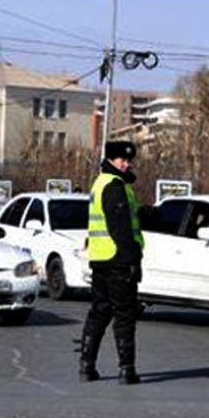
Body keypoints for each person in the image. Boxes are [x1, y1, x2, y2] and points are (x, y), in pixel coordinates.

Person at [79, 140, 145, 385]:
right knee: (125, 315)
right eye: (122, 160)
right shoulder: (115, 186)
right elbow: (120, 227)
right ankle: (126, 369)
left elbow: (127, 218)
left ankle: (86, 365)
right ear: (111, 160)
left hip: (100, 259)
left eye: (129, 160)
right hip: (118, 260)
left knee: (99, 311)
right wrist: (131, 261)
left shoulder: (101, 182)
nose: (127, 164)